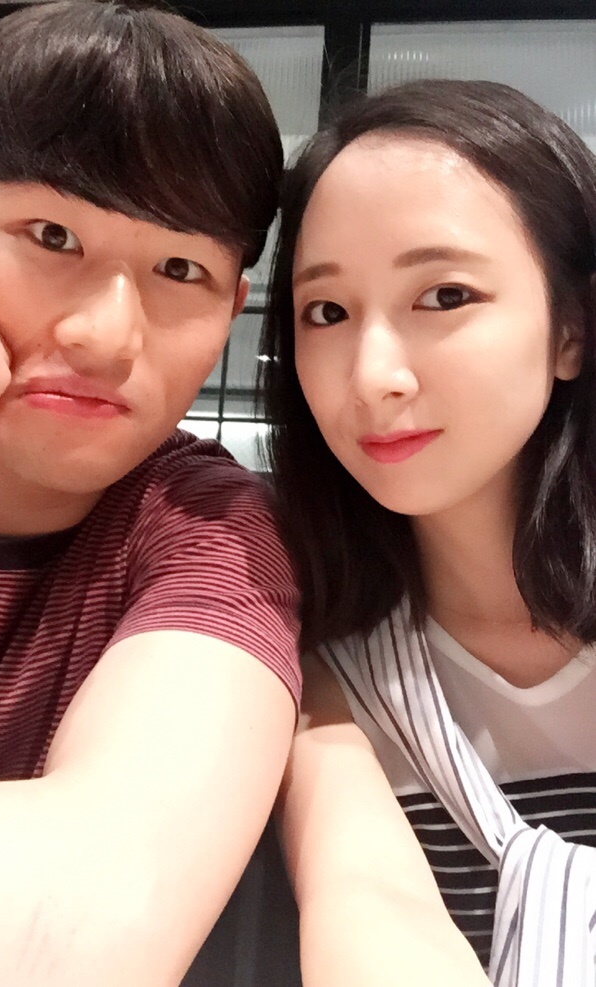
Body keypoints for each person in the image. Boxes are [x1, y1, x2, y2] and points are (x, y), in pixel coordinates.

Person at [0, 3, 302, 984]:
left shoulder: (210, 535)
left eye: (179, 268)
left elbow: (92, 911)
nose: (106, 336)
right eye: (52, 234)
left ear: (231, 310)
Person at [261, 78, 596, 986]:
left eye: (444, 295)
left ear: (573, 328)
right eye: (327, 312)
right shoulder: (318, 665)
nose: (373, 375)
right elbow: (367, 901)